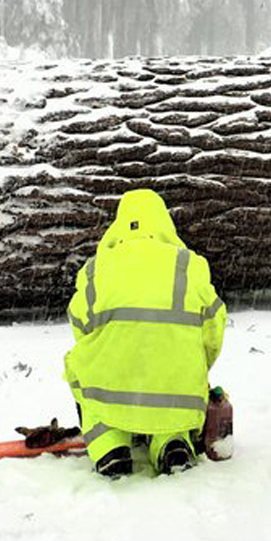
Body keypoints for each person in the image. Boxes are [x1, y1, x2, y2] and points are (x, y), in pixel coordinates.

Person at [63, 188, 227, 479]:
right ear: (164, 223)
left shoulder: (95, 269)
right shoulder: (189, 264)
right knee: (176, 386)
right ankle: (172, 442)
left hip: (112, 385)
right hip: (178, 394)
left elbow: (79, 327)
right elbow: (214, 328)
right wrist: (196, 367)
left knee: (76, 365)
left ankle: (109, 445)